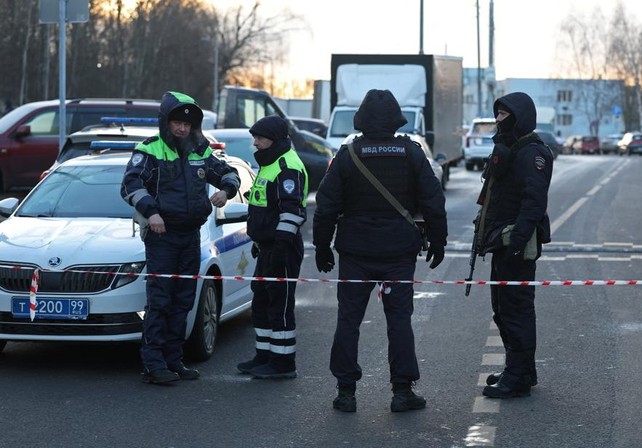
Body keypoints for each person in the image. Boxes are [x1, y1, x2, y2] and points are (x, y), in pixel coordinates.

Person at [313, 89, 447, 413]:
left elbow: (326, 205)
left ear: (360, 119)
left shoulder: (348, 155)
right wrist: (439, 241)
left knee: (348, 321)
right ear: (396, 119)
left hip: (355, 253)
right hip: (398, 253)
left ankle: (346, 393)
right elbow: (433, 200)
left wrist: (321, 246)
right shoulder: (411, 153)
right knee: (399, 321)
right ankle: (402, 392)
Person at [120, 91, 240, 384]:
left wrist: (226, 190)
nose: (182, 128)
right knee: (160, 301)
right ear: (166, 122)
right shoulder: (149, 150)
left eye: (187, 123)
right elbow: (130, 185)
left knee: (183, 300)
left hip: (191, 236)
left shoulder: (200, 150)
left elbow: (229, 173)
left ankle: (174, 360)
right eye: (177, 122)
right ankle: (153, 363)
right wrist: (152, 213)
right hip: (162, 236)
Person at [476, 92, 552, 399]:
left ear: (520, 118)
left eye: (504, 116)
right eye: (497, 115)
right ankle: (520, 369)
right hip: (502, 241)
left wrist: (517, 244)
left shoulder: (533, 154)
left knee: (515, 310)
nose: (498, 121)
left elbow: (534, 203)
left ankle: (518, 376)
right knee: (502, 308)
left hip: (515, 244)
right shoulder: (509, 148)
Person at [236, 115, 308, 379]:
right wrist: (261, 242)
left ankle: (283, 363)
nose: (255, 143)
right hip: (268, 246)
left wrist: (279, 247)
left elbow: (292, 212)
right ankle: (264, 356)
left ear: (274, 140)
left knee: (280, 304)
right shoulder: (270, 164)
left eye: (260, 138)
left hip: (284, 247)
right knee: (263, 301)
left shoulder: (287, 166)